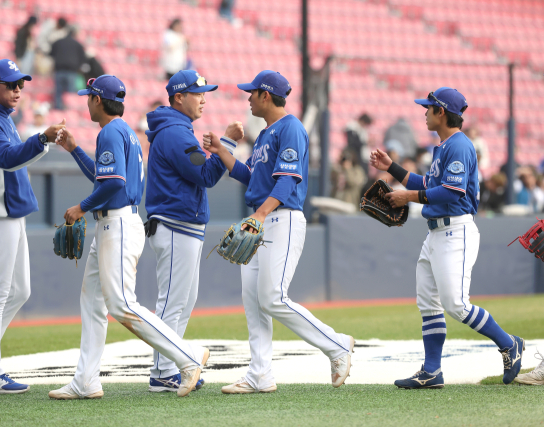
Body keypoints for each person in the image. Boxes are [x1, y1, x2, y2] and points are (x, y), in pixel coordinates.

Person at [49, 75, 210, 400]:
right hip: (116, 222)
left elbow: (113, 184)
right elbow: (104, 175)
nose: (87, 102)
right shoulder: (123, 131)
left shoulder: (110, 131)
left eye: (89, 97)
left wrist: (81, 207)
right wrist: (74, 149)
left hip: (118, 223)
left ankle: (187, 357)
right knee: (92, 302)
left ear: (97, 100)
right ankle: (86, 380)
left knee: (122, 305)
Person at [203, 70, 354, 394]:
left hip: (280, 218)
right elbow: (251, 176)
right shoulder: (265, 133)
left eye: (252, 93)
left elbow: (288, 180)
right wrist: (222, 151)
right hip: (263, 219)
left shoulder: (291, 129)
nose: (248, 98)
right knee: (254, 301)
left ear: (266, 96)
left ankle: (337, 345)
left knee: (273, 297)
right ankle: (260, 374)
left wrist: (259, 215)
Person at [369, 87, 524, 389]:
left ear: (441, 112)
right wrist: (391, 168)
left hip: (456, 230)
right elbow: (428, 183)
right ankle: (432, 371)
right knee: (428, 302)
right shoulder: (443, 146)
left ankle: (509, 344)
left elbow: (452, 191)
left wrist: (409, 197)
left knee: (456, 304)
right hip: (436, 233)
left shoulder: (460, 146)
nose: (424, 112)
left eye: (428, 108)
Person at [0, 59, 66, 395]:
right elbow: (6, 159)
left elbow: (15, 157)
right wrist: (41, 138)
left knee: (20, 291)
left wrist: (41, 141)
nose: (18, 90)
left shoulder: (2, 116)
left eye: (20, 84)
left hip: (12, 212)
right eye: (11, 84)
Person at [145, 70, 243, 392]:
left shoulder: (179, 129)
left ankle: (168, 366)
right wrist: (226, 143)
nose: (203, 98)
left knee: (184, 301)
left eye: (205, 93)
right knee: (173, 301)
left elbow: (201, 172)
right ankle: (162, 372)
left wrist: (218, 148)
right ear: (178, 97)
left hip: (183, 227)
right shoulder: (174, 132)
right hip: (174, 226)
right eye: (197, 93)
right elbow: (205, 175)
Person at [50, 28, 86, 110]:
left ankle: (58, 110)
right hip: (72, 72)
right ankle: (69, 111)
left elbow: (51, 53)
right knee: (70, 94)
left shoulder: (58, 42)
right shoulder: (78, 44)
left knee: (58, 92)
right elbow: (83, 59)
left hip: (59, 70)